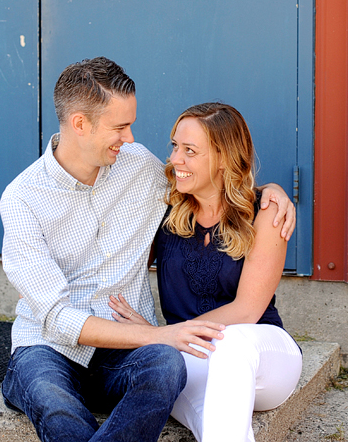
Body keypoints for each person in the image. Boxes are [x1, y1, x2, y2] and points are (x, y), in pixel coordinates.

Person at [0, 58, 296, 442]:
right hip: (49, 348)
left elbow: (208, 182)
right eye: (120, 127)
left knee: (166, 366)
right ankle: (25, 384)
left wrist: (269, 192)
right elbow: (57, 319)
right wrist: (160, 334)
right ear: (80, 124)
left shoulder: (138, 166)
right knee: (55, 405)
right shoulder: (22, 199)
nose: (131, 138)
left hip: (127, 353)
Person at [109, 102, 303, 442]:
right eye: (174, 146)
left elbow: (247, 310)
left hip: (261, 356)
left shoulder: (265, 211)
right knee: (216, 429)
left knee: (230, 348)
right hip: (191, 357)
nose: (174, 159)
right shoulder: (166, 211)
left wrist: (164, 334)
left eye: (189, 151)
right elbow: (112, 258)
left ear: (223, 158)